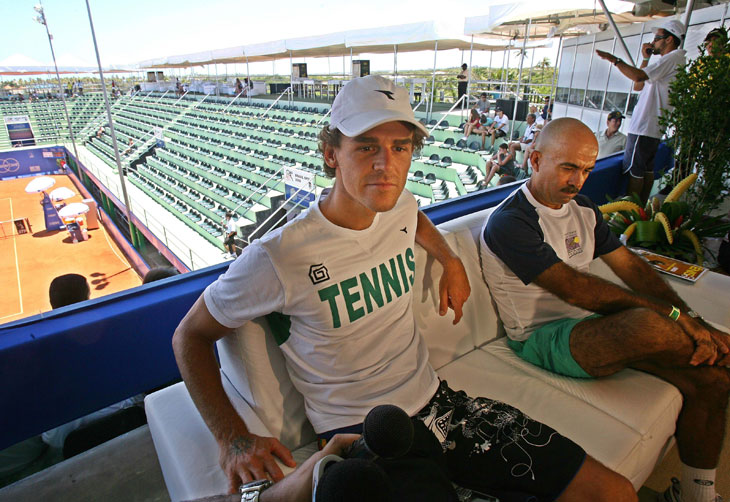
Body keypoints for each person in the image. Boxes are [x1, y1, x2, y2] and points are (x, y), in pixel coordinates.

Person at [173, 75, 635, 501]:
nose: (386, 165)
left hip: (442, 403)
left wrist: (450, 259)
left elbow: (411, 216)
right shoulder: (279, 256)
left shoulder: (398, 204)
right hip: (364, 435)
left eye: (400, 147)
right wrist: (232, 438)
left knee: (612, 492)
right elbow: (189, 335)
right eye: (366, 147)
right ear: (331, 153)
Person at [480, 117, 730, 502]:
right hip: (542, 339)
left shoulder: (582, 207)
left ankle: (697, 495)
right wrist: (676, 318)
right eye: (568, 167)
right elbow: (577, 291)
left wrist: (691, 317)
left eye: (586, 170)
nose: (578, 180)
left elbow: (630, 266)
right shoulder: (511, 222)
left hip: (591, 327)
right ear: (535, 160)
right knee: (651, 324)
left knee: (713, 381)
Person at [596, 19, 686, 203]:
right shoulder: (671, 61)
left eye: (657, 38)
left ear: (669, 39)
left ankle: (632, 210)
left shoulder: (671, 58)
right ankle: (641, 209)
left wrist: (614, 60)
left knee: (635, 172)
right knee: (646, 170)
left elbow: (637, 76)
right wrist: (645, 59)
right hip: (651, 127)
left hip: (644, 126)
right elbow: (638, 86)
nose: (653, 42)